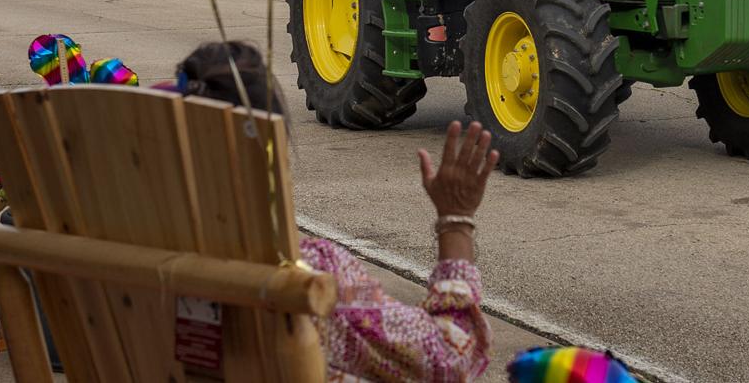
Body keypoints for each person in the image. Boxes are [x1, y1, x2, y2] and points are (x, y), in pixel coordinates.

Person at [157, 42, 499, 381]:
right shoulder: (312, 278)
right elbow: (448, 360)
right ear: (270, 158)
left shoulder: (117, 267)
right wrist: (456, 220)